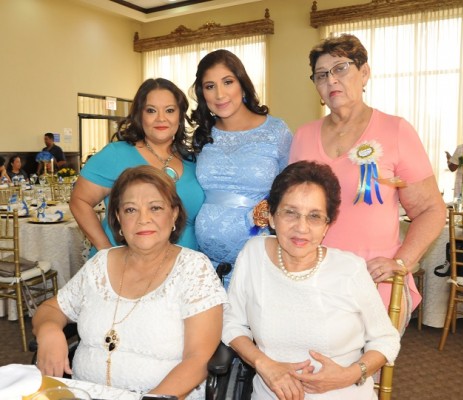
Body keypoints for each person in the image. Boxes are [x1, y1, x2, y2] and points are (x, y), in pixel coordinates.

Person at [289, 34, 446, 325]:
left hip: (373, 280)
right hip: (313, 279)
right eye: (321, 75)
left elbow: (430, 210)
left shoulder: (395, 130)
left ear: (364, 73)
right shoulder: (303, 135)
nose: (331, 80)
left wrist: (401, 262)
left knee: (363, 371)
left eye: (340, 68)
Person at [33, 165, 227, 398]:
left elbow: (199, 358)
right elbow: (52, 308)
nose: (143, 219)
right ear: (118, 217)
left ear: (174, 214)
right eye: (131, 210)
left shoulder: (194, 269)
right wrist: (49, 331)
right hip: (83, 393)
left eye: (155, 208)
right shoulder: (100, 264)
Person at [222, 161, 400, 400]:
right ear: (272, 217)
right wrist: (265, 365)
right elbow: (232, 322)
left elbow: (386, 339)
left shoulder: (350, 269)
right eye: (290, 213)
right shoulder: (253, 254)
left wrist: (350, 374)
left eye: (314, 216)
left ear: (327, 225)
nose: (301, 227)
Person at [190, 49, 292, 286]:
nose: (220, 94)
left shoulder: (276, 131)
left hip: (259, 264)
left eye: (228, 82)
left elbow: (290, 193)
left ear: (242, 85)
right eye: (209, 86)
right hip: (206, 268)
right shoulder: (202, 136)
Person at [70, 78, 204, 254]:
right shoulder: (116, 154)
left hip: (182, 269)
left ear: (180, 116)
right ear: (140, 115)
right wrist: (105, 251)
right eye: (151, 111)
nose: (161, 118)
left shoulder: (193, 161)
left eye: (170, 110)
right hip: (126, 268)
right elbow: (79, 201)